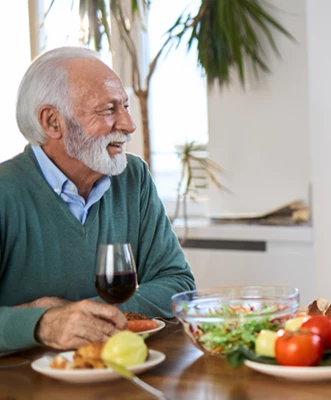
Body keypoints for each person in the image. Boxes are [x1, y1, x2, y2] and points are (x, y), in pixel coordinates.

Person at [0, 47, 196, 352]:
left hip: (124, 375)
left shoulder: (133, 178)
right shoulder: (5, 191)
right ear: (52, 122)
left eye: (126, 107)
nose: (129, 125)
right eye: (108, 110)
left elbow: (178, 284)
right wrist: (42, 325)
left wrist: (70, 315)